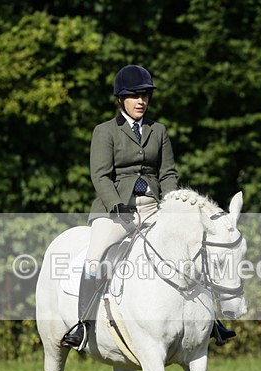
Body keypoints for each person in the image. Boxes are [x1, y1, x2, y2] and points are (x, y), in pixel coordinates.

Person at [60, 65, 235, 349]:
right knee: (95, 258)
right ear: (121, 99)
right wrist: (116, 203)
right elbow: (100, 175)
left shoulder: (158, 131)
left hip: (155, 208)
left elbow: (167, 173)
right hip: (115, 209)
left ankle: (212, 321)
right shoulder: (104, 131)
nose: (141, 101)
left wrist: (172, 206)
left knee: (193, 249)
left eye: (145, 95)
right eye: (134, 96)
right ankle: (83, 324)